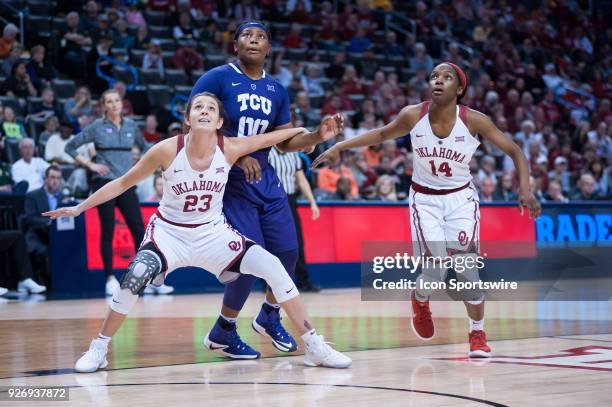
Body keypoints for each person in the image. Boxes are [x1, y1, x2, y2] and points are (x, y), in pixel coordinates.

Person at [43, 92, 351, 372]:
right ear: (187, 118)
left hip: (212, 234)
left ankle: (313, 345)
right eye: (198, 107)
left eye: (211, 108)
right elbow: (123, 182)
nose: (204, 111)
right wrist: (80, 208)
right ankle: (98, 348)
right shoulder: (166, 149)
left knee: (272, 265)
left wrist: (315, 133)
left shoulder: (230, 148)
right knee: (135, 275)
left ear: (219, 121)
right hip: (169, 235)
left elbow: (273, 136)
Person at [313, 62, 541, 358]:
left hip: (461, 200)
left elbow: (515, 151)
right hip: (424, 200)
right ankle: (420, 301)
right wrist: (340, 147)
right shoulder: (413, 114)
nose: (438, 81)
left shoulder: (474, 120)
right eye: (434, 76)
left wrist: (525, 190)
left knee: (466, 271)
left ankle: (477, 333)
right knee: (435, 270)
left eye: (447, 77)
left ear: (459, 89)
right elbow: (382, 134)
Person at [190, 21, 342, 359]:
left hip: (267, 182)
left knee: (288, 252)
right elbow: (195, 123)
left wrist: (317, 136)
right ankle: (224, 330)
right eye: (247, 35)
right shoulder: (216, 78)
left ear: (269, 49)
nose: (253, 40)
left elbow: (287, 142)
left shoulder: (277, 90)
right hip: (229, 182)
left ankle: (269, 315)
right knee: (248, 256)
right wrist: (237, 154)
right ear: (235, 45)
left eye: (261, 37)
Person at [65, 89, 148, 296]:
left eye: (117, 100)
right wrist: (90, 165)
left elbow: (146, 147)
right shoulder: (96, 127)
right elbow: (70, 147)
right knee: (107, 232)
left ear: (122, 103)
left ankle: (149, 278)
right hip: (104, 184)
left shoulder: (131, 126)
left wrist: (141, 160)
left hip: (126, 183)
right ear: (103, 106)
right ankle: (110, 278)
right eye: (109, 101)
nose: (114, 104)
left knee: (140, 232)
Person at [269, 145, 320, 292]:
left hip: (290, 200)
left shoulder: (294, 155)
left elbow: (301, 180)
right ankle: (270, 283)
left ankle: (303, 281)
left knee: (297, 241)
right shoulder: (267, 152)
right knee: (271, 244)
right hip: (270, 200)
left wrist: (312, 202)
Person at [23, 165, 63, 288]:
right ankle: (46, 284)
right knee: (46, 251)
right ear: (45, 179)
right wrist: (50, 223)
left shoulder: (64, 197)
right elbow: (30, 219)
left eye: (58, 178)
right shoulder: (32, 195)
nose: (55, 181)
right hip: (38, 236)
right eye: (52, 177)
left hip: (60, 237)